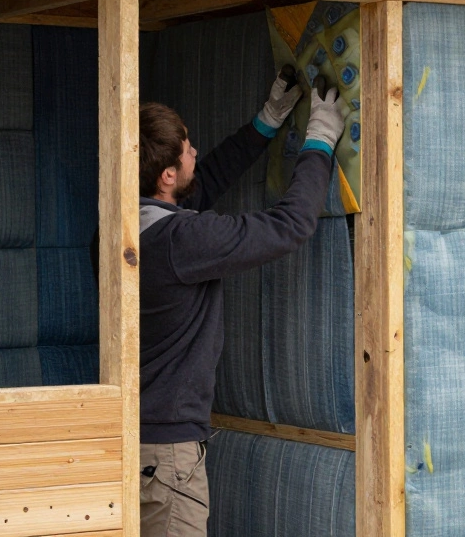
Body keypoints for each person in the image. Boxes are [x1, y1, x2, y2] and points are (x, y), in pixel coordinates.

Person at [136, 73, 344, 537]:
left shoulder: (121, 230)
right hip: (169, 454)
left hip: (136, 439)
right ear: (167, 176)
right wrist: (321, 140)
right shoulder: (182, 241)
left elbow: (200, 184)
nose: (195, 152)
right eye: (188, 149)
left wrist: (265, 122)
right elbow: (289, 226)